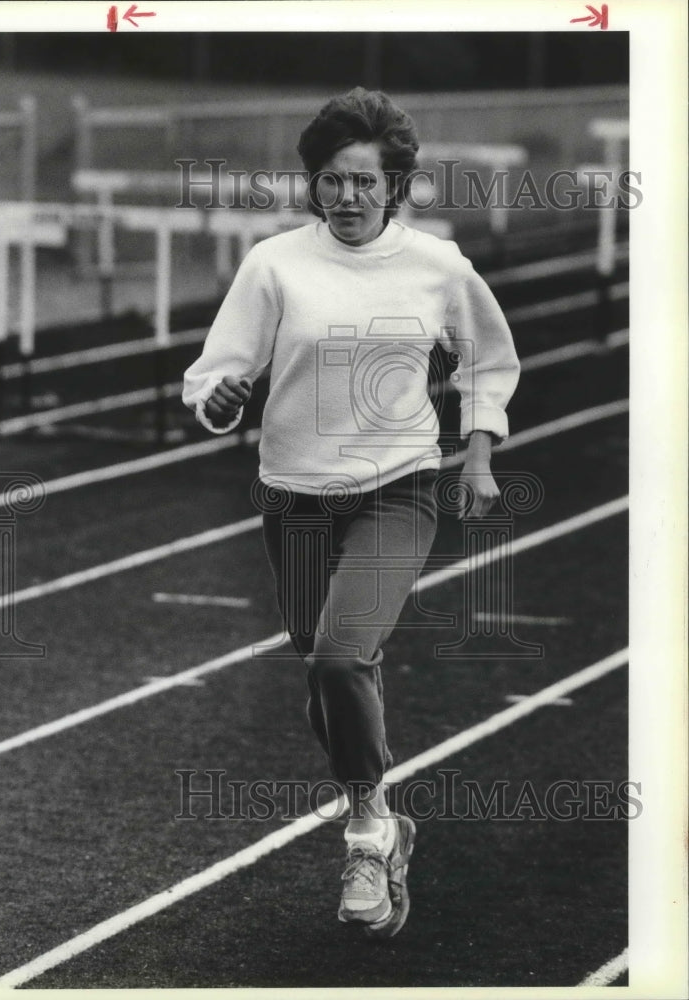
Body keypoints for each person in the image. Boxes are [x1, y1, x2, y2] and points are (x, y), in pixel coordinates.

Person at [183, 87, 520, 938]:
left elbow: (489, 359)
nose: (347, 198)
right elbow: (216, 374)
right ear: (314, 184)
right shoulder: (274, 265)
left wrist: (477, 451)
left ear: (394, 185)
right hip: (293, 499)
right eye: (332, 181)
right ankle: (383, 813)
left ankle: (369, 835)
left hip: (397, 486)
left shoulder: (437, 266)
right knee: (327, 682)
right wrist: (220, 399)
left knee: (339, 660)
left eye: (364, 183)